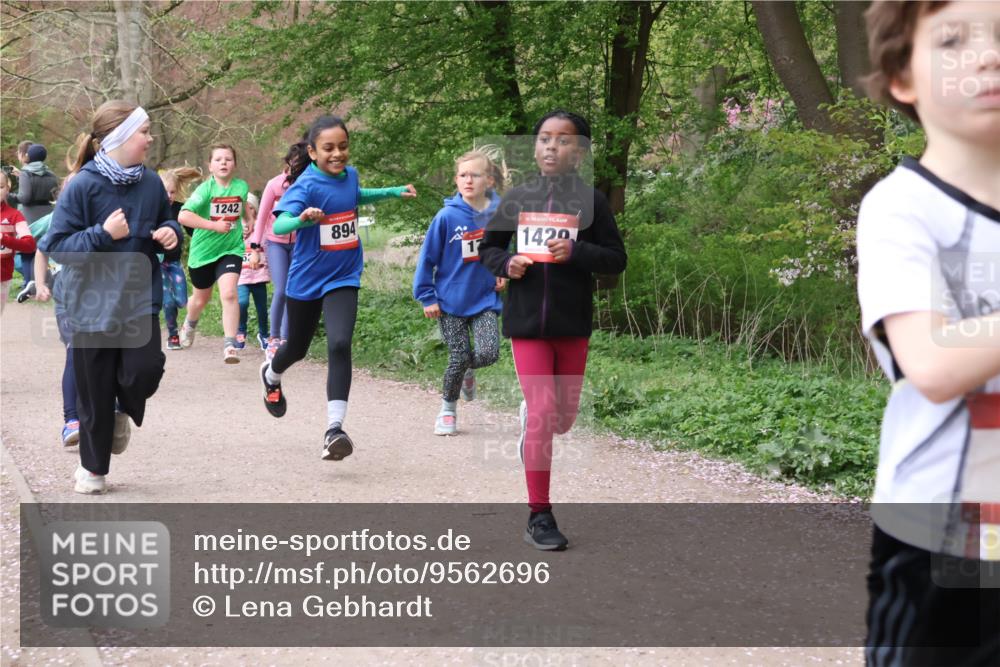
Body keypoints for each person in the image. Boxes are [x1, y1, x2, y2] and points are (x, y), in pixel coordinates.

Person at [858, 2, 1000, 664]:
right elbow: (932, 364)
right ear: (901, 78)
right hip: (946, 537)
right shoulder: (903, 206)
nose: (988, 54)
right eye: (952, 40)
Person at [480, 110, 627, 551]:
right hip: (526, 323)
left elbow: (616, 259)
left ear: (579, 152)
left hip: (571, 323)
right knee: (544, 411)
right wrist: (507, 263)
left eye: (562, 141)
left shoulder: (590, 202)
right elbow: (488, 248)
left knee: (563, 420)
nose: (550, 147)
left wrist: (578, 251)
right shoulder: (517, 197)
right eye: (544, 139)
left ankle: (536, 417)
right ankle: (539, 514)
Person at [40, 100, 182, 494]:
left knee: (144, 371)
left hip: (138, 298)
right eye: (144, 132)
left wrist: (172, 235)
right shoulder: (83, 185)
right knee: (95, 389)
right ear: (119, 137)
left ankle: (122, 408)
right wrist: (103, 234)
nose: (150, 138)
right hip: (90, 306)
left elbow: (166, 223)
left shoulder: (151, 182)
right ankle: (93, 469)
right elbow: (58, 248)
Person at [259, 114, 417, 460]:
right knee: (296, 349)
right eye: (328, 148)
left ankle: (334, 429)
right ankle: (271, 374)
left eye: (343, 147)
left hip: (344, 274)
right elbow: (280, 220)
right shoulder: (305, 186)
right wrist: (301, 219)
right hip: (307, 279)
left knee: (340, 343)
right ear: (313, 152)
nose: (337, 154)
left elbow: (354, 195)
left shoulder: (351, 176)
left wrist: (392, 191)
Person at [413, 147, 507, 435]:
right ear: (456, 180)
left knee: (490, 352)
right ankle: (448, 410)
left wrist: (503, 270)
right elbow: (426, 259)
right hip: (449, 301)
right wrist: (427, 296)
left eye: (475, 175)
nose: (468, 180)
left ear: (489, 181)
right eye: (463, 175)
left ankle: (468, 370)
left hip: (484, 299)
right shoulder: (446, 217)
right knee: (458, 355)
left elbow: (504, 249)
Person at [177, 145, 250, 363]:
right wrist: (214, 225)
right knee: (201, 299)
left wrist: (249, 221)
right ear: (210, 166)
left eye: (228, 159)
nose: (224, 163)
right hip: (203, 253)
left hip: (231, 249)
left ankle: (230, 345)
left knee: (229, 293)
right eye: (218, 159)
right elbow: (184, 216)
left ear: (234, 164)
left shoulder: (241, 186)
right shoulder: (205, 190)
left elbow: (242, 205)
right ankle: (190, 323)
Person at [249, 143, 305, 359]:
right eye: (295, 163)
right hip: (276, 243)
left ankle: (286, 339)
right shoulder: (274, 185)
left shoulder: (305, 185)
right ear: (288, 162)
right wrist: (255, 247)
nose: (297, 168)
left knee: (294, 290)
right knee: (281, 289)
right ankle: (273, 339)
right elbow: (262, 217)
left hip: (299, 244)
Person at [8, 143, 57, 299]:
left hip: (30, 215)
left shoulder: (25, 174)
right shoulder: (51, 174)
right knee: (41, 250)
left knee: (26, 250)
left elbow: (25, 198)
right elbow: (53, 196)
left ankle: (29, 283)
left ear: (28, 157)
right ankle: (41, 282)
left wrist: (10, 196)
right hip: (48, 213)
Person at [158, 167, 200, 349]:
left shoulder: (180, 209)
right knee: (167, 300)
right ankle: (173, 335)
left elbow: (194, 232)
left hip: (174, 263)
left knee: (181, 301)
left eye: (172, 191)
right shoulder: (152, 210)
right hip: (157, 262)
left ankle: (182, 324)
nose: (169, 195)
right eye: (165, 191)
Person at [238, 192, 270, 350]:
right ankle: (240, 330)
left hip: (259, 274)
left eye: (251, 207)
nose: (248, 210)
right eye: (245, 207)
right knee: (241, 303)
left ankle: (264, 334)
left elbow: (265, 243)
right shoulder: (236, 226)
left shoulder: (260, 226)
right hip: (241, 276)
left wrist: (256, 250)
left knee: (262, 308)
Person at [0, 171, 36, 312]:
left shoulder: (15, 215)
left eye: (1, 186)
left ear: (8, 189)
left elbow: (29, 245)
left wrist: (4, 238)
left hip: (2, 278)